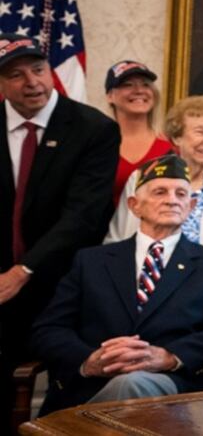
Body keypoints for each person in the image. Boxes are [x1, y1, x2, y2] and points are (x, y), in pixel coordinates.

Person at [31, 154, 203, 414]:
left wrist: (170, 356)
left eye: (181, 194)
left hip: (173, 386)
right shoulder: (91, 261)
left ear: (192, 206)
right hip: (89, 385)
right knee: (125, 385)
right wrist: (89, 360)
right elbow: (47, 329)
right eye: (160, 192)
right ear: (134, 205)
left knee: (132, 384)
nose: (172, 200)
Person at [0, 35, 120, 422]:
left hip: (62, 282)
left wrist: (23, 271)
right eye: (15, 75)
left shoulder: (93, 128)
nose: (31, 81)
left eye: (37, 69)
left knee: (65, 402)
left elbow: (83, 216)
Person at [107, 95, 203, 315]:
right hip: (146, 286)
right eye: (200, 132)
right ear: (177, 138)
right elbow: (121, 233)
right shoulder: (144, 175)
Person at [105, 60, 174, 206]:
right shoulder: (97, 146)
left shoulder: (171, 147)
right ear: (110, 96)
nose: (139, 90)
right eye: (127, 85)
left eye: (145, 84)